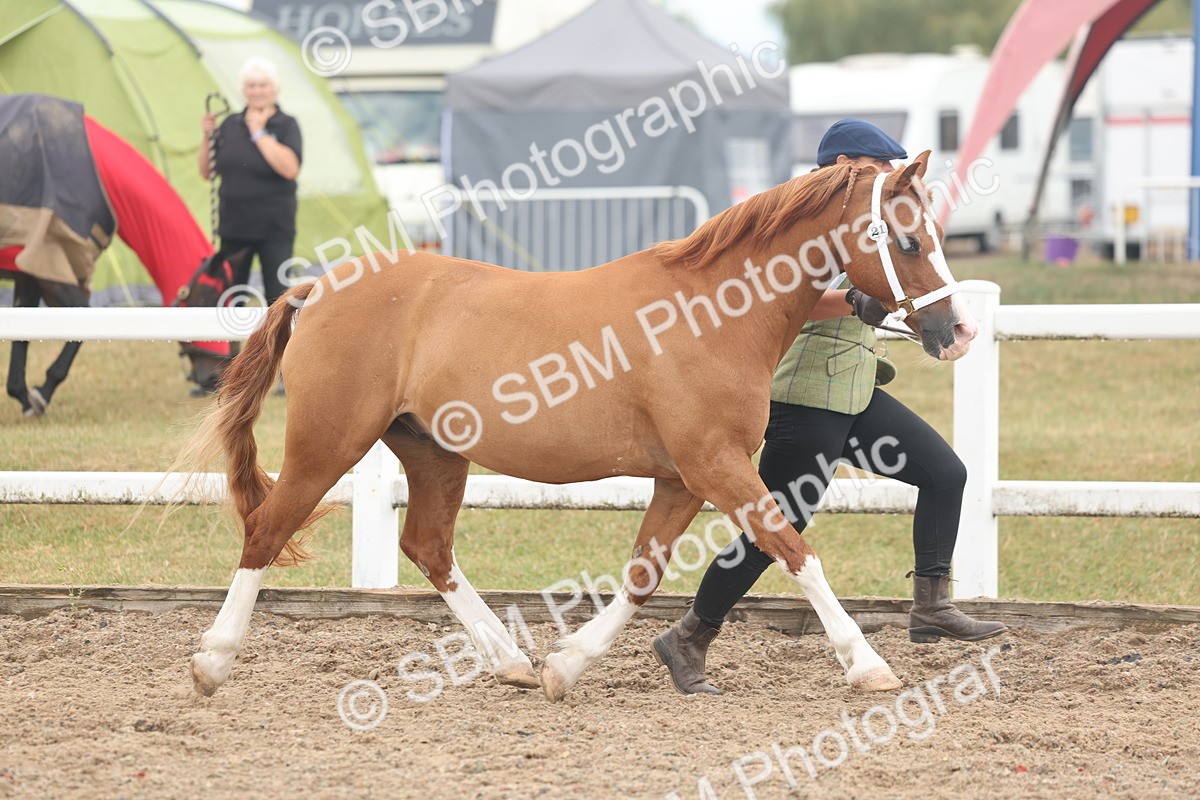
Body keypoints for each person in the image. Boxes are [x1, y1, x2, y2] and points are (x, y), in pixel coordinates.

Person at [652, 119, 1008, 696]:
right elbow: (782, 290)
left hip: (855, 391)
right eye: (877, 167)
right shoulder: (802, 221)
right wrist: (853, 299)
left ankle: (931, 605)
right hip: (806, 397)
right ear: (843, 164)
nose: (885, 177)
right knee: (779, 525)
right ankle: (689, 636)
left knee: (945, 473)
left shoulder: (871, 215)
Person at [199, 57, 302, 305]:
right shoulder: (230, 124)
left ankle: (277, 333)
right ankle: (233, 332)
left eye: (263, 85)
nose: (257, 91)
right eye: (251, 85)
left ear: (274, 89)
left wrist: (258, 132)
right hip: (234, 226)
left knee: (277, 297)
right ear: (243, 90)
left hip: (274, 227)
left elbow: (290, 169)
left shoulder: (286, 125)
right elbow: (207, 172)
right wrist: (207, 137)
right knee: (232, 295)